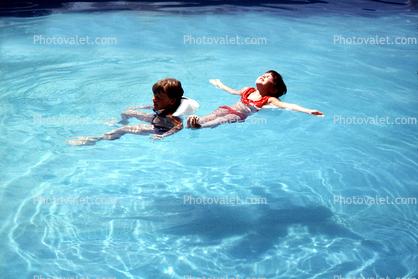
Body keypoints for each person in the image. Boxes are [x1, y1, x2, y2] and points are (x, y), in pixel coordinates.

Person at [66, 78, 198, 146]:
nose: (153, 99)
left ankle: (96, 139)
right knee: (127, 111)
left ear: (171, 101)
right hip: (155, 119)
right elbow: (151, 107)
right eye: (154, 95)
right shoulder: (162, 105)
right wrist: (137, 109)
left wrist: (162, 136)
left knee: (125, 129)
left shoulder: (171, 115)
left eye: (158, 97)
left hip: (159, 128)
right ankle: (119, 121)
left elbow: (178, 126)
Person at [186, 71, 323, 129]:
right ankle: (195, 122)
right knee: (213, 114)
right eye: (264, 74)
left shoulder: (269, 100)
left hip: (239, 115)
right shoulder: (248, 90)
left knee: (221, 120)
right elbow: (233, 91)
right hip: (229, 107)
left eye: (269, 77)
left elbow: (288, 105)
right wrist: (220, 84)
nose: (264, 76)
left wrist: (308, 111)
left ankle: (199, 127)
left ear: (273, 90)